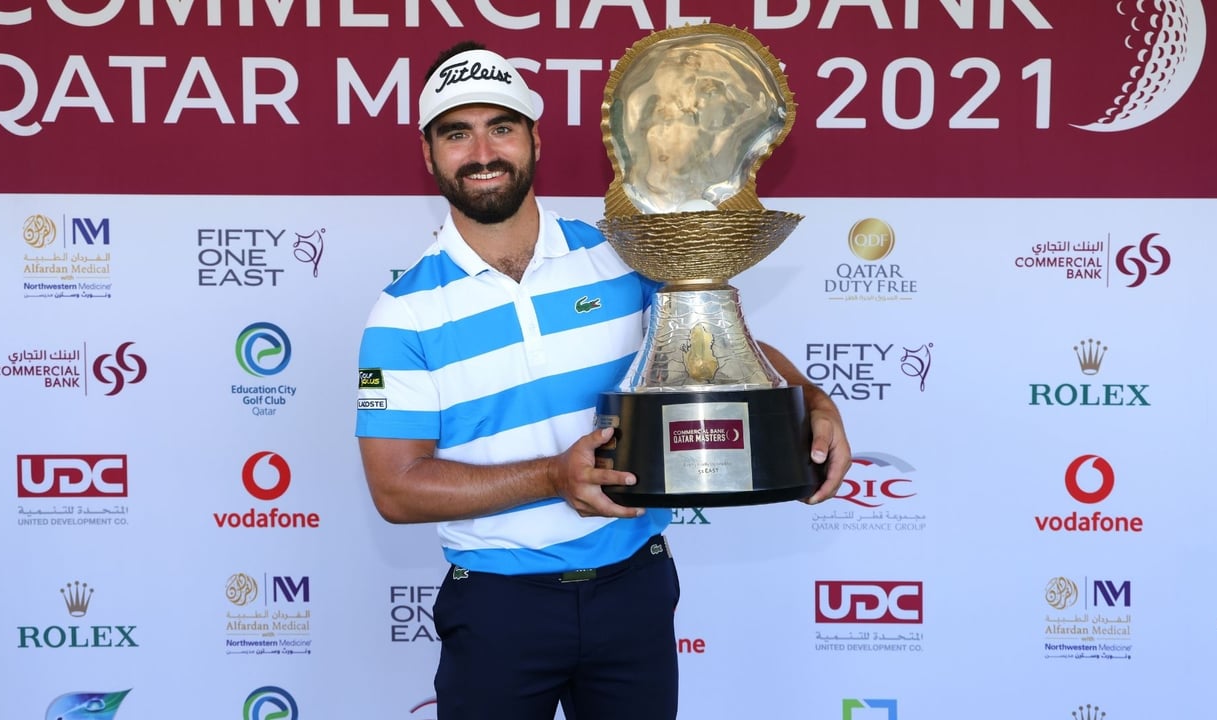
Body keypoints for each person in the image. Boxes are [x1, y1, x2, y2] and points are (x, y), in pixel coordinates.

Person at [356, 41, 851, 720]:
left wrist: (815, 401)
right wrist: (553, 477)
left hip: (633, 595)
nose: (481, 152)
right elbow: (396, 487)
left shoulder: (617, 257)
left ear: (535, 139)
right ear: (429, 153)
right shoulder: (403, 313)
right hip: (500, 610)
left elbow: (714, 345)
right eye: (456, 133)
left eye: (501, 127)